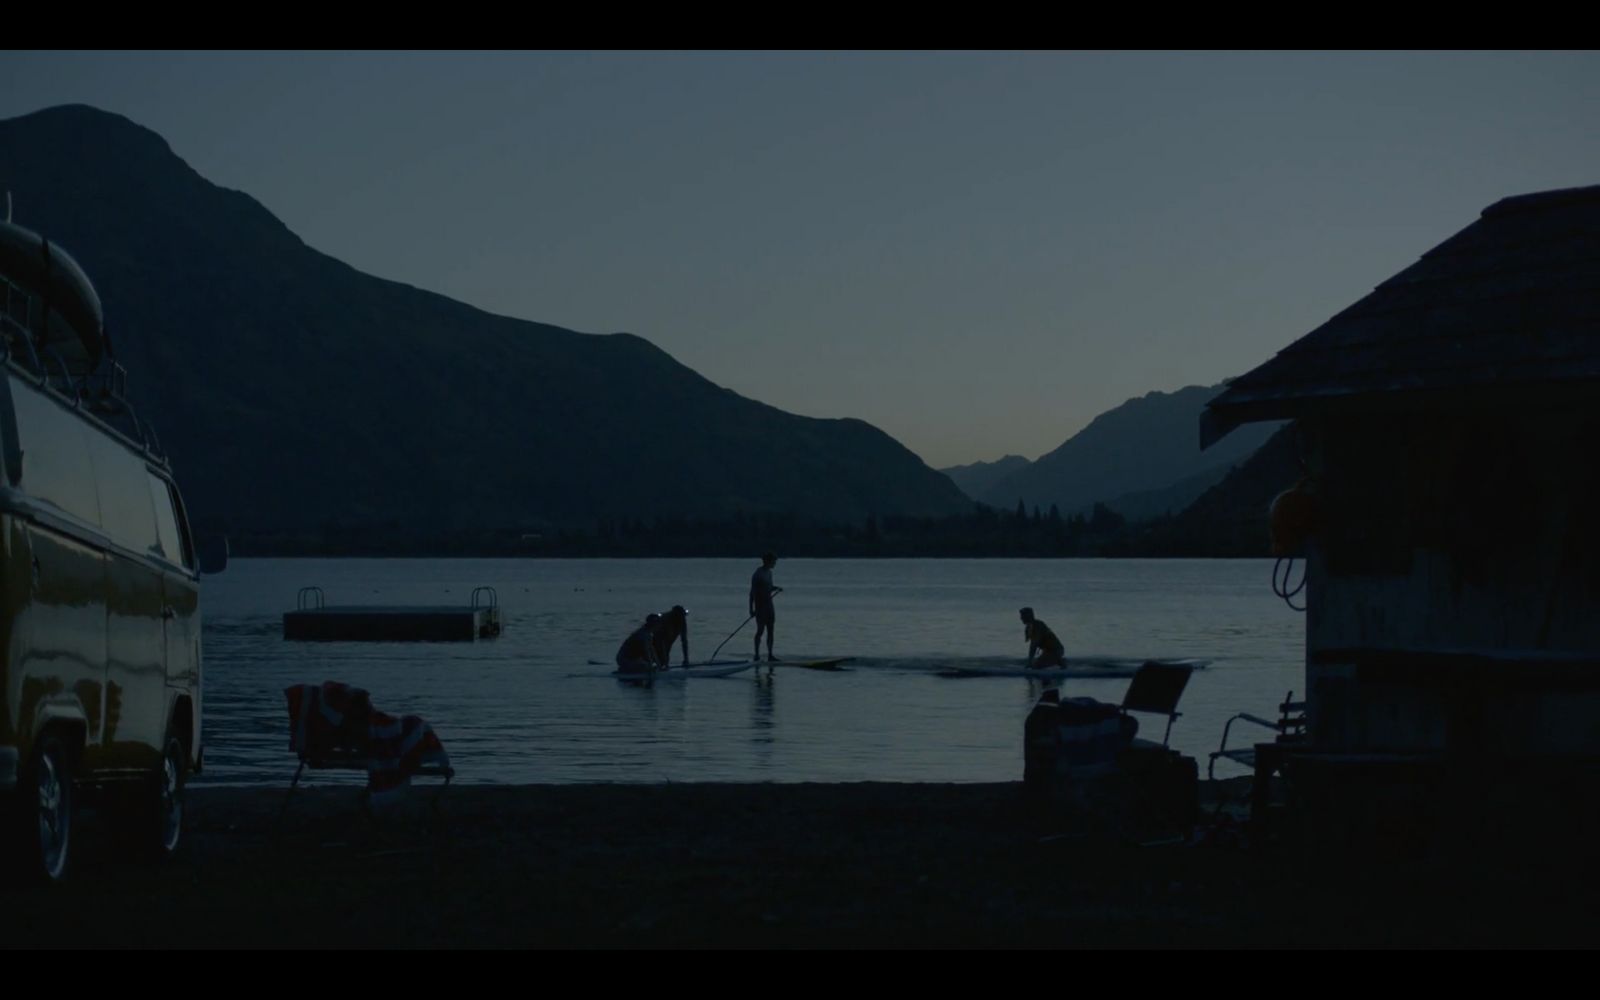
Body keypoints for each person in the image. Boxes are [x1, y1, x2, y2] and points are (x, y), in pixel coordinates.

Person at [750, 552, 782, 662]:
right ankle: (757, 655)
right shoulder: (757, 574)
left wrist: (776, 588)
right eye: (774, 561)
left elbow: (769, 587)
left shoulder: (769, 573)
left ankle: (770, 655)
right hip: (760, 606)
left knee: (771, 630)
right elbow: (752, 593)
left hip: (769, 605)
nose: (775, 564)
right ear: (768, 561)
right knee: (760, 630)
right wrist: (751, 609)